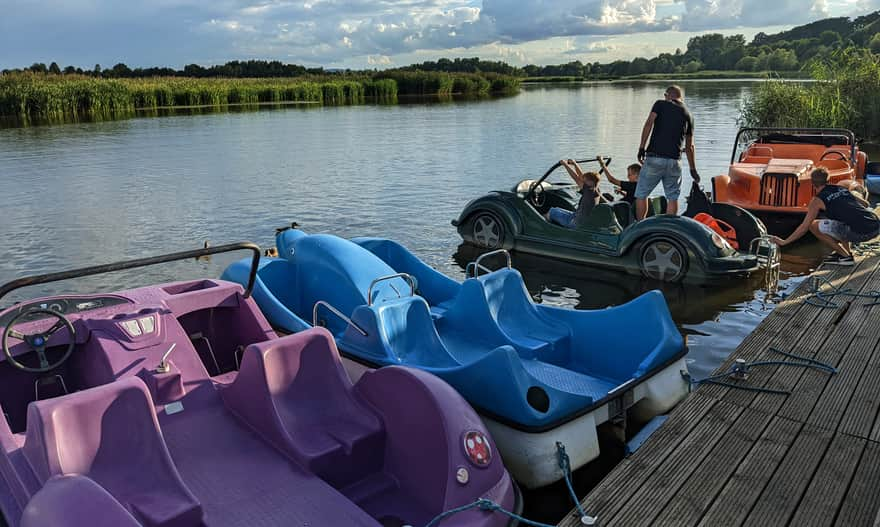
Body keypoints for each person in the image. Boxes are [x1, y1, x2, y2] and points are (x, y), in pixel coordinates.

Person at [769, 168, 880, 265]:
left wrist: (784, 242)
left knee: (813, 225)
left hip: (860, 234)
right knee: (838, 220)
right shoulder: (842, 188)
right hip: (876, 226)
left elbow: (804, 227)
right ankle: (847, 253)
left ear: (812, 184)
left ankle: (846, 257)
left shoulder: (817, 200)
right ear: (828, 180)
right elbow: (866, 204)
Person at [635, 85, 698, 219]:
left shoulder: (660, 104)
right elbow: (690, 146)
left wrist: (641, 147)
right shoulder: (689, 115)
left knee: (641, 194)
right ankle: (670, 226)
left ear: (667, 95)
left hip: (655, 158)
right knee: (672, 197)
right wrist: (693, 168)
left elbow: (648, 124)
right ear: (680, 97)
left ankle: (640, 226)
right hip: (675, 161)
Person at [546, 159, 603, 228]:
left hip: (576, 224)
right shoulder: (596, 189)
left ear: (590, 182)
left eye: (586, 180)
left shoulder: (588, 191)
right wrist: (574, 164)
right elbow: (582, 176)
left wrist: (565, 164)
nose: (584, 181)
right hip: (579, 217)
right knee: (556, 209)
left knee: (551, 212)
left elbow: (575, 177)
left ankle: (549, 229)